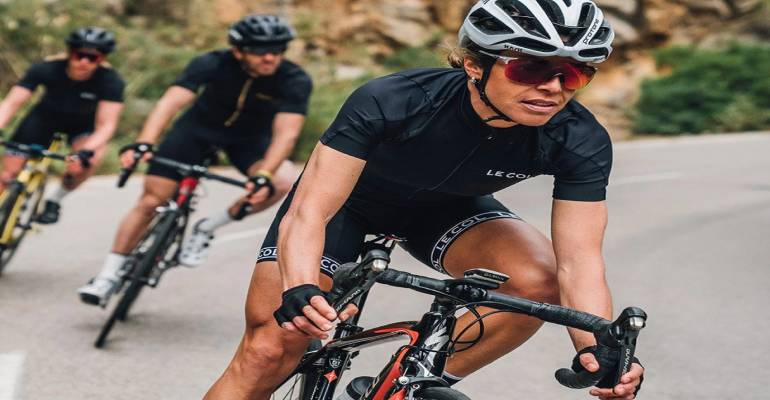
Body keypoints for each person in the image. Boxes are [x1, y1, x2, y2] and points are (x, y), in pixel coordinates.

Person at [205, 1, 645, 399]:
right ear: (474, 65)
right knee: (269, 349)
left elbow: (579, 262)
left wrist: (598, 348)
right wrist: (300, 286)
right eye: (530, 70)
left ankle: (410, 383)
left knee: (538, 284)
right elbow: (310, 210)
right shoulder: (395, 99)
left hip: (445, 211)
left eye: (574, 73)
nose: (553, 88)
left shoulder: (578, 138)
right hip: (346, 206)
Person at [77, 14, 312, 305]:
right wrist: (144, 143)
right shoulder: (211, 62)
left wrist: (263, 174)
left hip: (249, 141)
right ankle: (107, 275)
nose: (269, 57)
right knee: (151, 201)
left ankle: (207, 228)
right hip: (195, 132)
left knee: (282, 181)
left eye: (277, 49)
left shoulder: (294, 79)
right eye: (259, 50)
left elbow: (286, 134)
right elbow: (170, 103)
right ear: (238, 50)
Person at [0, 27, 124, 222]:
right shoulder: (46, 68)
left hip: (82, 126)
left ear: (102, 59)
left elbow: (107, 126)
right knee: (8, 174)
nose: (84, 62)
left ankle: (55, 199)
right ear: (69, 53)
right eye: (79, 55)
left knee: (85, 163)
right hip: (43, 119)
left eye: (93, 58)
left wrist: (86, 151)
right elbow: (12, 103)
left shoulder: (111, 81)